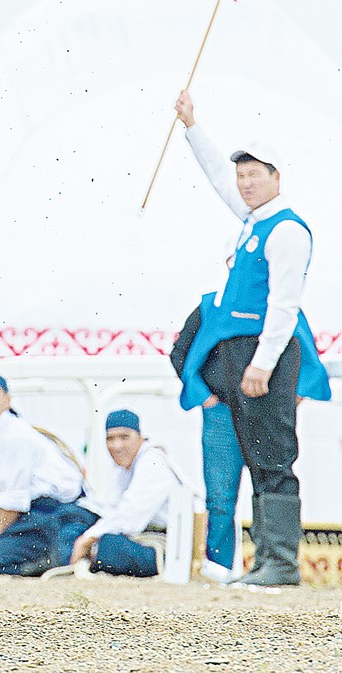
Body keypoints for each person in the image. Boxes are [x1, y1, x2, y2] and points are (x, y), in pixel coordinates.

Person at [172, 89, 330, 587]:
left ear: (276, 177)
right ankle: (265, 561)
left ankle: (280, 561)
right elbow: (217, 176)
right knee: (257, 456)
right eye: (241, 174)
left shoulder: (287, 230)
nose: (244, 182)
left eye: (255, 174)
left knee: (273, 457)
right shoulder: (251, 221)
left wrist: (262, 363)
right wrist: (191, 126)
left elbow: (284, 305)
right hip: (239, 352)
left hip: (265, 351)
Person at [0, 372, 95, 576]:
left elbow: (12, 503)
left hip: (53, 513)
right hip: (23, 515)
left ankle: (49, 560)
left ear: (7, 400)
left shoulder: (16, 435)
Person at [70, 410, 183, 577]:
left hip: (166, 546)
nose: (116, 446)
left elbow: (130, 516)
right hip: (140, 538)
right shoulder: (122, 468)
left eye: (124, 437)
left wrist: (87, 540)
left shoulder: (152, 462)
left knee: (109, 546)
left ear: (140, 437)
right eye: (110, 439)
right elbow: (112, 509)